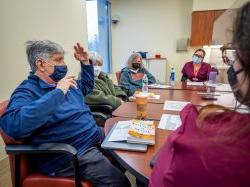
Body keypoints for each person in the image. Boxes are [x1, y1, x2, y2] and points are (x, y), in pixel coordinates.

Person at [0, 40, 130, 187]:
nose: (63, 64)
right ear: (41, 64)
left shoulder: (62, 82)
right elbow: (14, 125)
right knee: (121, 183)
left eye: (63, 59)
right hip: (71, 152)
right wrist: (58, 92)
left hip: (93, 135)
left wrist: (85, 62)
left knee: (130, 147)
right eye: (58, 60)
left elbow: (86, 87)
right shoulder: (27, 91)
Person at [149, 2, 250, 187]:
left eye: (234, 56)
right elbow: (181, 78)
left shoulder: (206, 68)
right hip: (186, 90)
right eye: (196, 54)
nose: (197, 57)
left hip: (198, 92)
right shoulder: (187, 64)